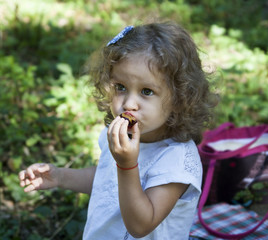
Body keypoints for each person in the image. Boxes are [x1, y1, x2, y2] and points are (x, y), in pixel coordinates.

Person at [19, 22, 218, 240]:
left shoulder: (176, 159)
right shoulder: (120, 137)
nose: (129, 103)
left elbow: (141, 225)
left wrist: (127, 165)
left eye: (146, 91)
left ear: (180, 99)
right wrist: (60, 176)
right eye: (121, 87)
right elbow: (107, 181)